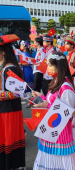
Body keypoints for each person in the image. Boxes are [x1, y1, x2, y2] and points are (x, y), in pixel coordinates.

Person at [32, 52, 75, 170]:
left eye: (49, 65)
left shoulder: (66, 88)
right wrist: (41, 97)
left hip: (60, 134)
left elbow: (67, 112)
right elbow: (51, 102)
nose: (47, 68)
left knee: (59, 163)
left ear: (59, 66)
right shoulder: (56, 82)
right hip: (51, 129)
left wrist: (46, 105)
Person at [0, 34, 25, 169]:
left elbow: (18, 91)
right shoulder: (3, 66)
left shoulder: (9, 68)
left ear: (3, 53)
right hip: (3, 109)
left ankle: (11, 165)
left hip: (9, 111)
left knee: (9, 138)